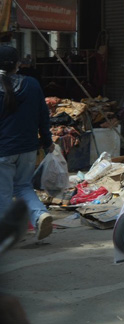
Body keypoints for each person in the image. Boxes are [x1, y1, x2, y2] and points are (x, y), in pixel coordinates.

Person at [0, 46, 54, 241]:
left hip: (3, 151)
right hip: (29, 148)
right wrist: (47, 141)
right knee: (23, 186)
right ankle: (40, 214)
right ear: (18, 64)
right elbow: (43, 116)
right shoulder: (31, 84)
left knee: (3, 193)